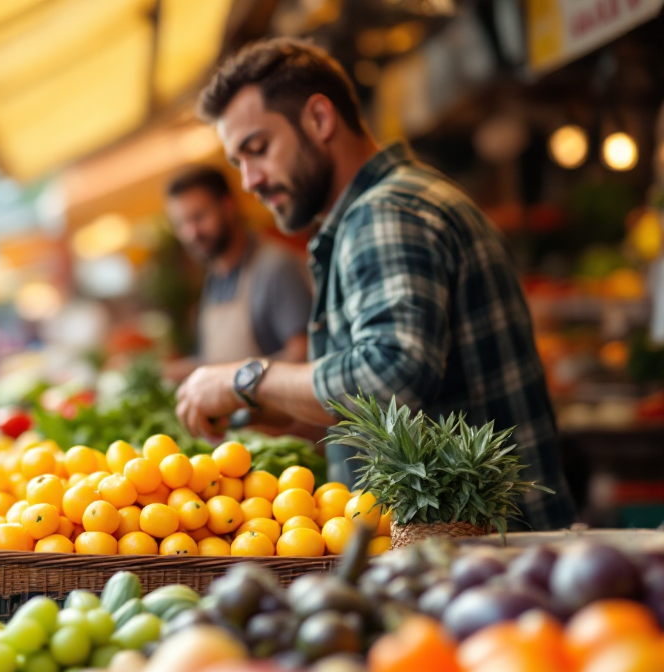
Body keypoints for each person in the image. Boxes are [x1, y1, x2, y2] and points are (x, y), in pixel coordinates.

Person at [175, 38, 575, 530]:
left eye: (257, 149)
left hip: (486, 554)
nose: (251, 181)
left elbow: (390, 378)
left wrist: (247, 378)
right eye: (238, 163)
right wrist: (276, 409)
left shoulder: (384, 213)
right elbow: (402, 400)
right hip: (479, 547)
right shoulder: (385, 208)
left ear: (320, 119)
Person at [165, 165, 312, 364]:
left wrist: (236, 380)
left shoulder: (275, 266)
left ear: (227, 206)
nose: (192, 233)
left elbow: (303, 352)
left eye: (199, 217)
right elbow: (216, 360)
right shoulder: (214, 279)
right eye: (181, 224)